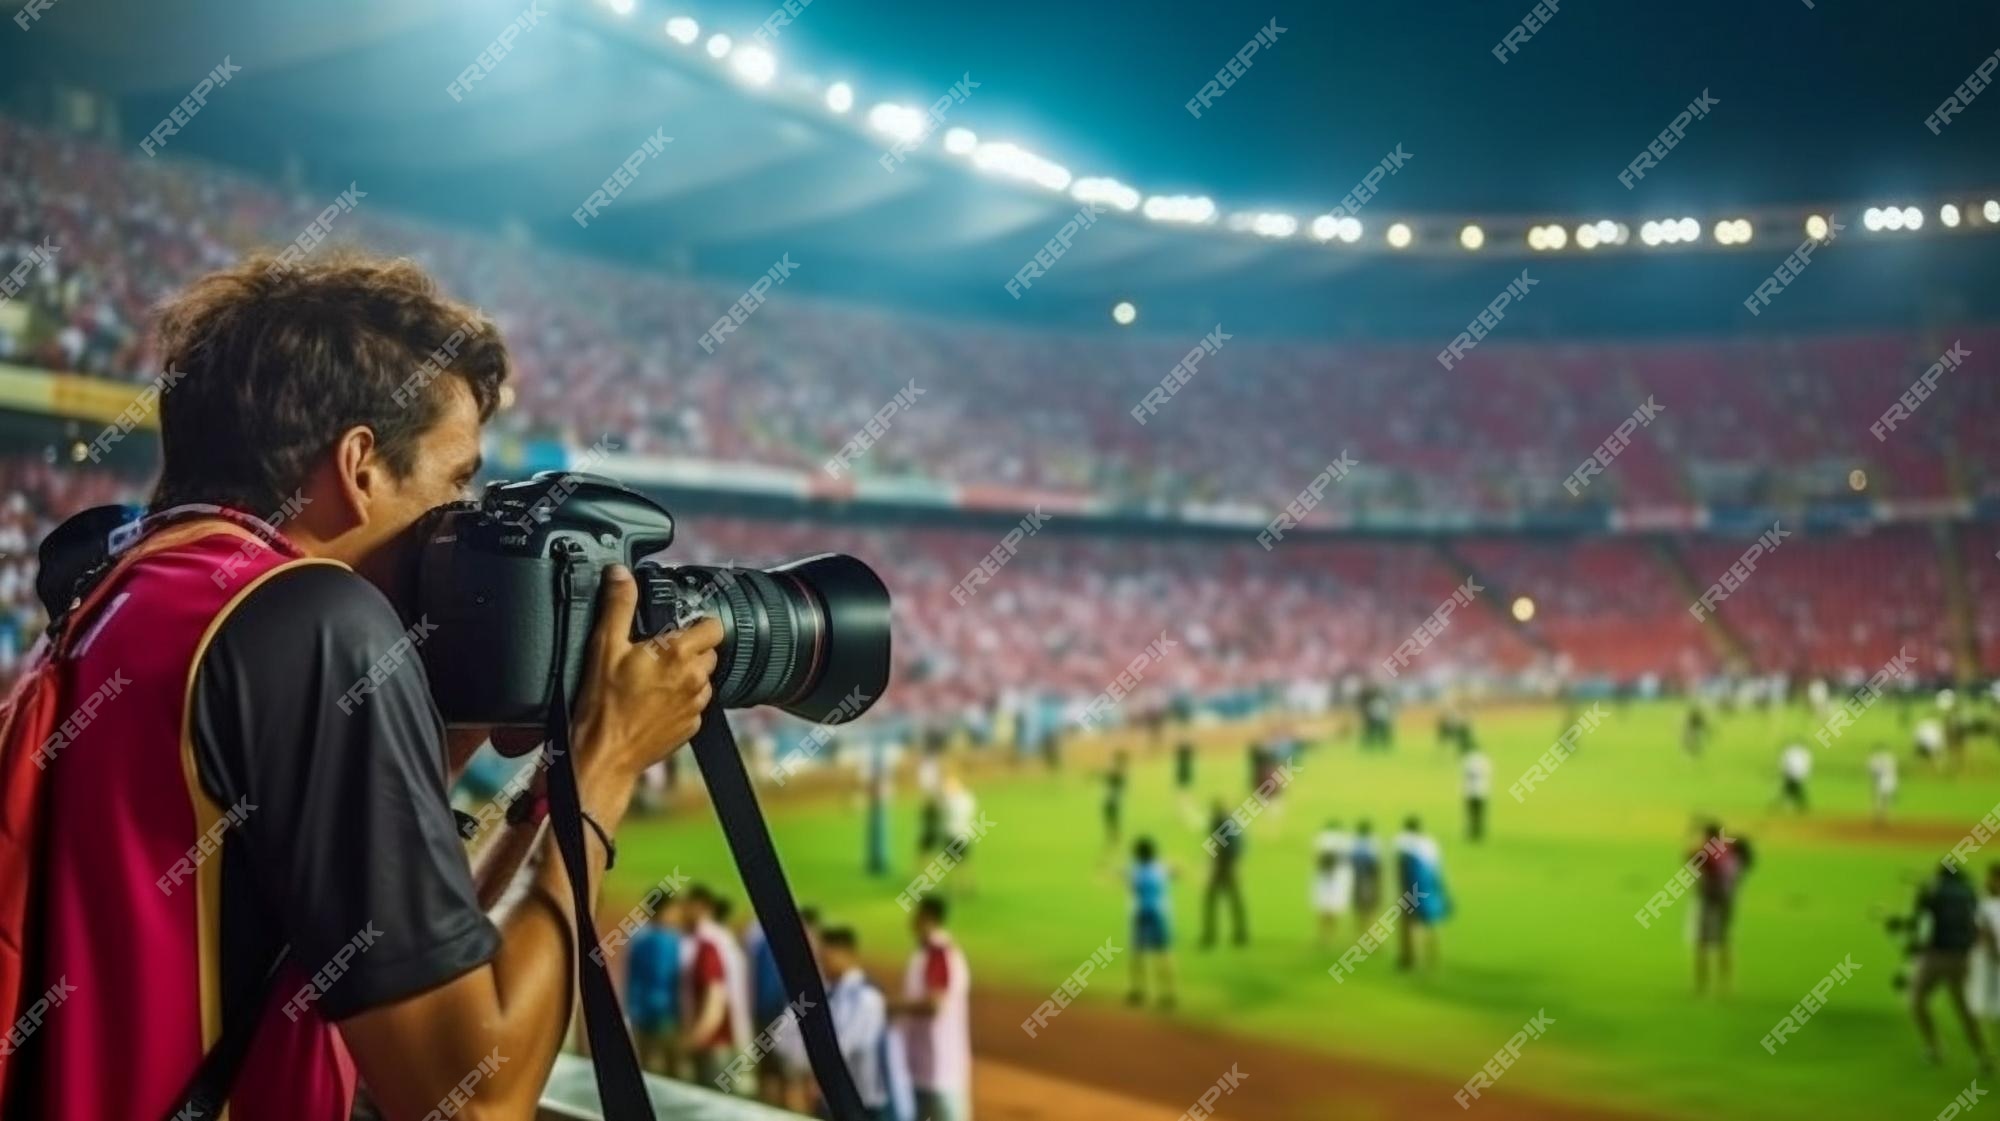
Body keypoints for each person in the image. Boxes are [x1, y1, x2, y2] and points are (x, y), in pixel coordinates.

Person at [4, 255, 726, 1121]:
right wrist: (607, 766)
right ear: (360, 466)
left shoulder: (129, 591)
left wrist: (483, 757)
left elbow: (386, 972)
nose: (462, 520)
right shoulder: (314, 620)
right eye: (456, 480)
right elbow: (470, 1097)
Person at [822, 927, 916, 1121]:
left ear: (846, 953)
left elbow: (842, 1045)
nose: (822, 964)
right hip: (844, 1097)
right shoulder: (836, 991)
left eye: (826, 957)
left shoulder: (866, 997)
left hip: (864, 1102)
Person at [1908, 862, 1995, 1070]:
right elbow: (1978, 925)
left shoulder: (1933, 893)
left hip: (1936, 957)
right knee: (1964, 1009)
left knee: (1917, 1000)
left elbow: (1920, 924)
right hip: (1963, 958)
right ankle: (1982, 1055)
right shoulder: (1970, 893)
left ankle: (1934, 1047)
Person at [892, 898, 972, 1121]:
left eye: (916, 915)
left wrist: (893, 1006)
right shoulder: (926, 953)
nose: (912, 921)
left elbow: (934, 1005)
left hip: (939, 1066)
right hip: (923, 1063)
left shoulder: (939, 954)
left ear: (928, 918)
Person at [680, 886, 746, 1092]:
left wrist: (698, 1035)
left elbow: (715, 995)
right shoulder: (721, 938)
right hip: (721, 1036)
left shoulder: (708, 944)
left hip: (713, 1040)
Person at [628, 897, 685, 1078]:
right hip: (664, 1011)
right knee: (671, 1064)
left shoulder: (639, 937)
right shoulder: (669, 940)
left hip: (641, 1009)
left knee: (645, 1061)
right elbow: (667, 975)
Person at [1691, 822, 1750, 996]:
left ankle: (1701, 987)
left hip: (1709, 900)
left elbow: (1692, 861)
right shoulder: (1730, 852)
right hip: (1727, 900)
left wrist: (1689, 836)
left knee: (1702, 943)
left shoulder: (1708, 854)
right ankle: (1726, 986)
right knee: (1724, 942)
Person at [1126, 837, 1178, 1008]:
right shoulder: (1160, 868)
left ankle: (1138, 991)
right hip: (1160, 914)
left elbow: (1130, 884)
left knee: (1138, 954)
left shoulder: (1136, 872)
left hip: (1141, 914)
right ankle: (1169, 994)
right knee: (1163, 954)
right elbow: (1174, 872)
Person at [1394, 817, 1451, 971]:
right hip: (1430, 886)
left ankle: (1412, 961)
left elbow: (1400, 869)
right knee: (1431, 924)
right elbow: (1437, 869)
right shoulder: (1430, 844)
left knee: (1412, 926)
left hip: (1412, 888)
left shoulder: (1402, 843)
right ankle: (1434, 960)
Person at [1201, 799, 1249, 948]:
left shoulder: (1218, 822)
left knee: (1212, 900)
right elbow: (1239, 846)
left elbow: (1217, 847)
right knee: (1234, 899)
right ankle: (1240, 933)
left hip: (1222, 865)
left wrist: (1211, 865)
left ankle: (1210, 935)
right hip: (1228, 864)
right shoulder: (1231, 823)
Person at [1312, 823, 1354, 947]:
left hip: (1324, 877)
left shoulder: (1321, 840)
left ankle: (1324, 937)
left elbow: (1315, 859)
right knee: (1334, 909)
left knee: (1324, 909)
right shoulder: (1343, 841)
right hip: (1337, 879)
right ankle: (1331, 936)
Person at [1350, 819, 1382, 915]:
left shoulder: (1354, 843)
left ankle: (1361, 927)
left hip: (1358, 878)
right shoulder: (1374, 844)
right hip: (1370, 878)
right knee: (1370, 906)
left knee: (1360, 906)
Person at [1463, 746, 1492, 842]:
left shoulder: (1468, 761)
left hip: (1470, 792)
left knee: (1471, 814)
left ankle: (1472, 832)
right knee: (1479, 814)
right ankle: (1478, 832)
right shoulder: (1484, 761)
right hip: (1481, 792)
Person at [1103, 750, 1130, 849]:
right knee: (1112, 818)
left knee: (1112, 817)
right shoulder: (1119, 772)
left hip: (1112, 798)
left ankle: (1114, 837)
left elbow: (1110, 778)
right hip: (1113, 798)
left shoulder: (1117, 772)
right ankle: (1114, 836)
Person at [1775, 742, 1811, 812]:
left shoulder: (1794, 754)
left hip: (1793, 776)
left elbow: (1787, 766)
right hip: (1793, 776)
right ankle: (1803, 807)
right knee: (1792, 792)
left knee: (1789, 792)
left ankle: (1803, 807)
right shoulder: (1799, 754)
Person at [1869, 745, 1899, 825]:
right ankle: (1884, 817)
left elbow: (1874, 773)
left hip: (1881, 780)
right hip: (1891, 780)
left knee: (1878, 799)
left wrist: (1873, 784)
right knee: (1886, 800)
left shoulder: (1874, 758)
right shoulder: (1889, 757)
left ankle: (1879, 817)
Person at [1174, 739, 1197, 822]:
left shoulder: (1182, 758)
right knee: (1184, 795)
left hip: (1182, 777)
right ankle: (1184, 808)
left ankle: (1183, 808)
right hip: (1184, 777)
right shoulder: (1185, 758)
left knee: (1183, 794)